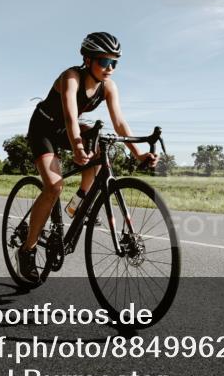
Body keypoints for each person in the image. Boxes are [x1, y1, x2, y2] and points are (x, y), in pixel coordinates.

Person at [14, 32, 158, 284]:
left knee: (101, 147)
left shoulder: (108, 86)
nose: (110, 68)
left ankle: (79, 201)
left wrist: (139, 154)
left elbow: (120, 122)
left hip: (68, 129)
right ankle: (27, 250)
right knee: (54, 186)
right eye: (104, 61)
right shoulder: (70, 77)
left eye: (115, 63)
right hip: (44, 128)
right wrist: (78, 147)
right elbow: (71, 117)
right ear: (88, 60)